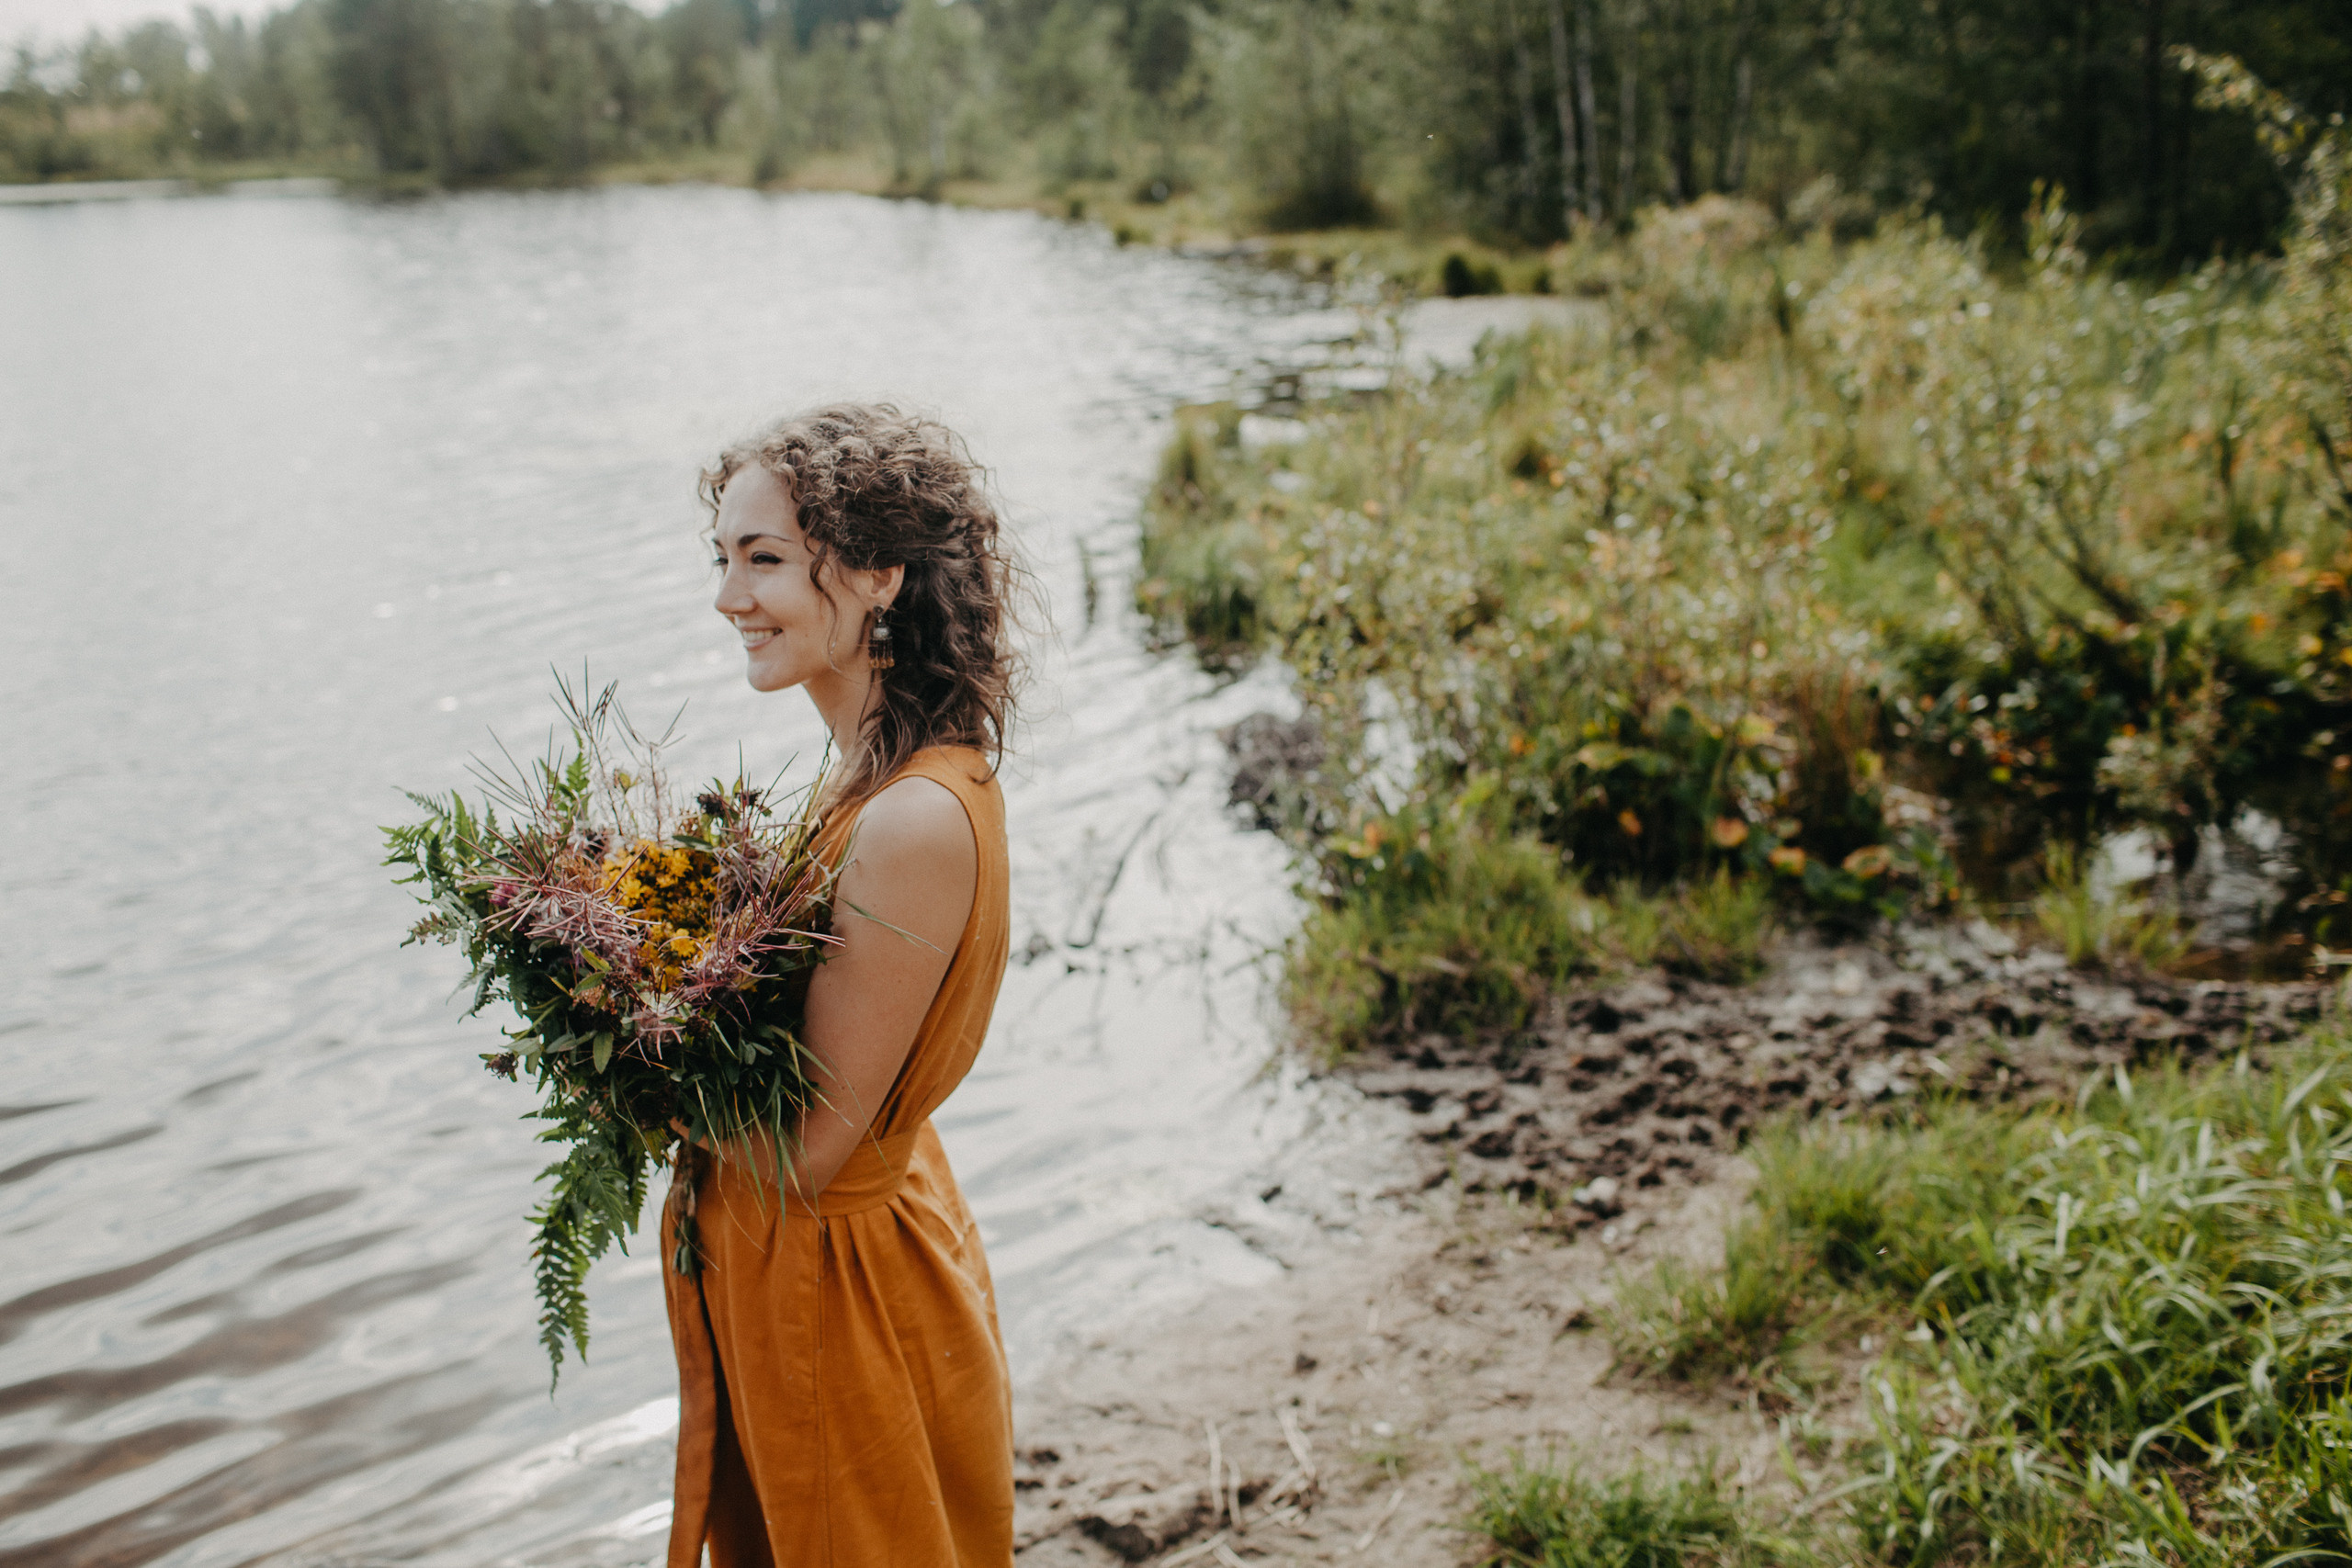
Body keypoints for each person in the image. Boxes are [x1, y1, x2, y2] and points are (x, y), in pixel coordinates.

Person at [664, 404, 1025, 1568]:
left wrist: (637, 1066)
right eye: (723, 558)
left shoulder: (911, 818)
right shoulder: (873, 783)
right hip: (827, 1262)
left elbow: (811, 1146)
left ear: (878, 574)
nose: (729, 597)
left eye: (764, 559)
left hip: (844, 1293)